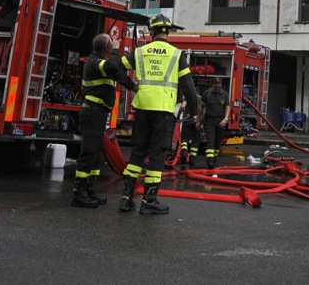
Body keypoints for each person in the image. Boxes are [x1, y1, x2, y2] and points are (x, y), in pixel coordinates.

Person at [117, 14, 199, 215]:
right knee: (157, 154)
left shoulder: (139, 52)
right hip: (162, 111)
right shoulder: (177, 55)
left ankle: (126, 198)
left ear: (152, 32)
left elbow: (115, 67)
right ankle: (149, 200)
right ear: (167, 32)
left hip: (142, 108)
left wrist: (131, 85)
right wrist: (195, 112)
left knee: (137, 152)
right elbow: (189, 88)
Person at [71, 33, 137, 208]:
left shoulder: (102, 63)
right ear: (107, 48)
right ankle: (79, 193)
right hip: (92, 112)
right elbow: (112, 65)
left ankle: (90, 190)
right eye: (111, 45)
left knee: (96, 153)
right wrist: (116, 49)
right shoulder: (95, 62)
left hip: (98, 113)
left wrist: (134, 86)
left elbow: (117, 73)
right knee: (88, 152)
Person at [201, 78, 230, 168]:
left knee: (217, 142)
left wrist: (225, 119)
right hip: (209, 121)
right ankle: (210, 161)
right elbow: (201, 106)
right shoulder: (207, 93)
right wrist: (199, 119)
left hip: (220, 122)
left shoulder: (224, 94)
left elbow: (227, 107)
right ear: (212, 85)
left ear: (221, 85)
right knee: (211, 140)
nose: (217, 86)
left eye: (219, 84)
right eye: (216, 84)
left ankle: (214, 158)